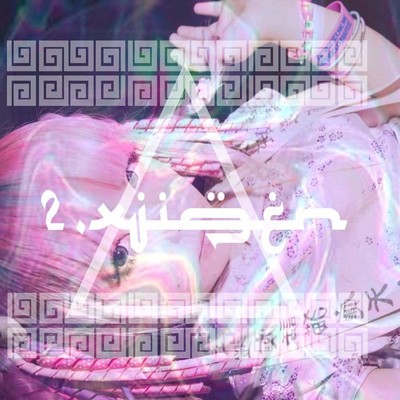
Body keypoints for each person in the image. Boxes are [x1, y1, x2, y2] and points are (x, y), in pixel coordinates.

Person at [0, 1, 400, 400]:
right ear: (109, 334)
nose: (166, 210)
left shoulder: (250, 140)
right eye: (121, 255)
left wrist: (291, 22)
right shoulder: (278, 353)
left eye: (130, 173)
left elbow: (390, 96)